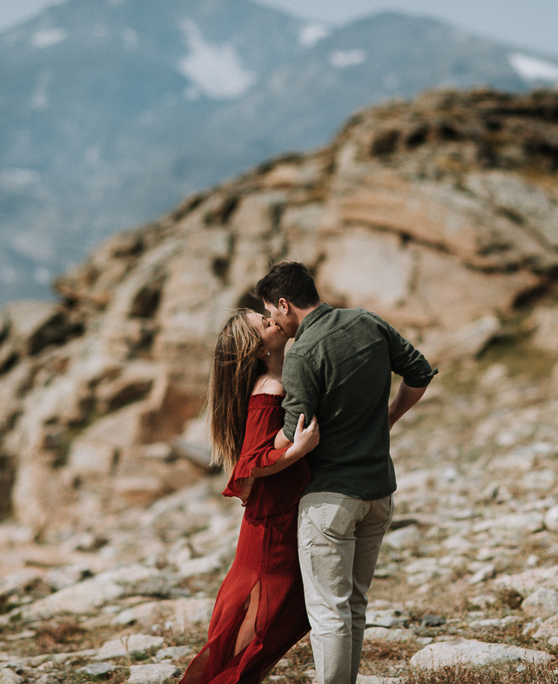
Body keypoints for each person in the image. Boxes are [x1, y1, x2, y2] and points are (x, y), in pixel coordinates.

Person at [254, 261, 437, 684]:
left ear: (285, 304)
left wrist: (256, 452)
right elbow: (420, 373)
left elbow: (293, 429)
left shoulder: (303, 350)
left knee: (328, 611)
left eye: (271, 311)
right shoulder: (367, 321)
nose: (274, 321)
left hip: (330, 499)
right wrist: (388, 418)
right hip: (379, 491)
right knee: (354, 604)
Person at [180, 308, 320, 684]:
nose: (273, 319)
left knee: (268, 624)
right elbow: (252, 464)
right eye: (265, 323)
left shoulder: (274, 380)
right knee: (262, 624)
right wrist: (297, 450)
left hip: (274, 518)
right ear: (259, 349)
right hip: (271, 529)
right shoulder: (270, 387)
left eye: (267, 315)